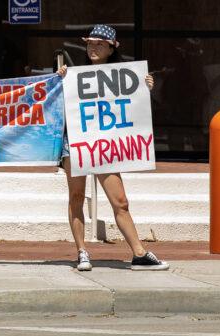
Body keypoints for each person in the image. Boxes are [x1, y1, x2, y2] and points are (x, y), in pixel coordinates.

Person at [58, 24, 169, 271]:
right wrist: (61, 80)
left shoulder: (126, 76)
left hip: (105, 146)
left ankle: (139, 253)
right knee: (76, 197)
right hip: (77, 143)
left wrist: (144, 89)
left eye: (99, 44)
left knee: (120, 201)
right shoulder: (73, 75)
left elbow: (132, 113)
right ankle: (82, 251)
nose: (93, 47)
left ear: (111, 48)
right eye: (89, 43)